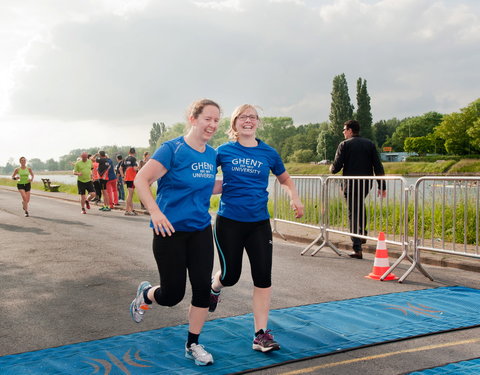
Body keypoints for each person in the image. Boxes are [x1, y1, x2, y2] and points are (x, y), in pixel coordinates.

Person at [129, 99, 221, 366]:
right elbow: (141, 180)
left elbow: (204, 186)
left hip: (200, 230)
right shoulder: (173, 148)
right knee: (172, 295)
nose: (212, 125)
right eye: (208, 119)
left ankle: (193, 344)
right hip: (169, 231)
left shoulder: (212, 154)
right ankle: (146, 294)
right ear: (193, 119)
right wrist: (155, 212)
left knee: (202, 289)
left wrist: (233, 185)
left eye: (216, 120)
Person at [209, 104, 304, 353]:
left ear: (258, 122)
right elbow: (205, 176)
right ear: (234, 124)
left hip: (259, 223)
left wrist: (294, 196)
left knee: (263, 277)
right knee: (231, 276)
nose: (248, 121)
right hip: (229, 222)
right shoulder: (223, 151)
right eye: (243, 117)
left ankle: (260, 334)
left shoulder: (268, 153)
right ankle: (215, 286)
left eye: (252, 117)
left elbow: (285, 179)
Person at [330, 119, 387, 259]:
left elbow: (336, 168)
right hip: (366, 184)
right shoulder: (370, 144)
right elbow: (378, 166)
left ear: (350, 130)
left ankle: (357, 248)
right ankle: (362, 234)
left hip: (350, 184)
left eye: (344, 130)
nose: (343, 132)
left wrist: (330, 168)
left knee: (352, 213)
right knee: (360, 205)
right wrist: (382, 186)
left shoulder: (344, 145)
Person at [122, 147, 138, 216]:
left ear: (129, 152)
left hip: (127, 178)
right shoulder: (133, 159)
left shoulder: (125, 159)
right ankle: (127, 210)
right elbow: (135, 169)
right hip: (132, 178)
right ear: (134, 153)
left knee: (130, 194)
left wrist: (123, 176)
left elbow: (120, 168)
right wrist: (139, 168)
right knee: (130, 195)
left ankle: (131, 209)